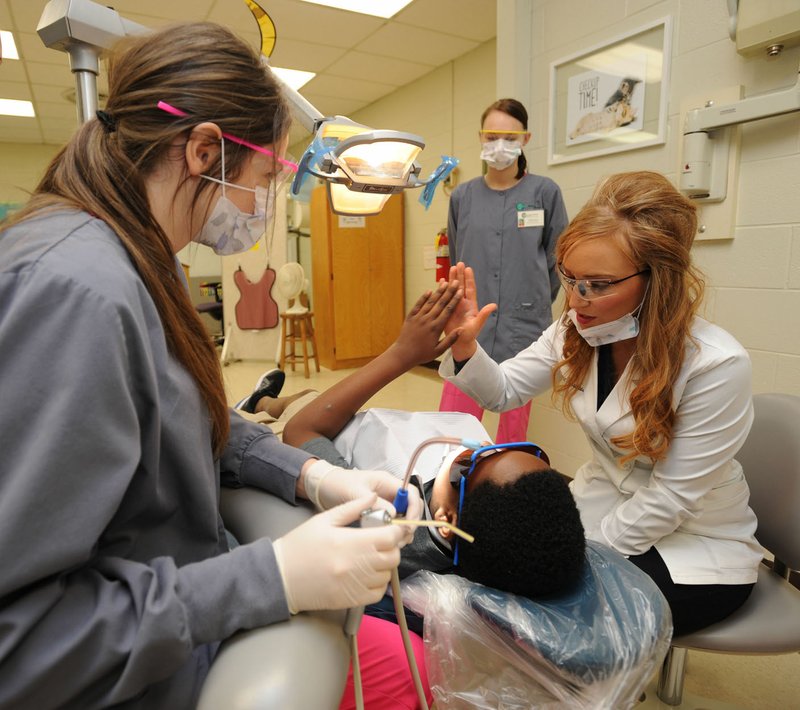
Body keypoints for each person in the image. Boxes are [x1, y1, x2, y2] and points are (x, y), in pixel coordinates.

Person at [0, 23, 421, 710]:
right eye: (268, 176)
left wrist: (310, 474)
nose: (265, 203)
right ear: (203, 151)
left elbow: (177, 412)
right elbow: (18, 641)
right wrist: (271, 577)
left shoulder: (139, 260)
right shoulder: (79, 294)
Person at [439, 170, 764, 636]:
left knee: (549, 614)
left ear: (659, 280)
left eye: (599, 283)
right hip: (601, 506)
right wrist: (466, 347)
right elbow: (504, 390)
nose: (576, 300)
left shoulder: (716, 365)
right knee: (491, 571)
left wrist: (574, 554)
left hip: (694, 544)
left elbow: (669, 499)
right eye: (569, 278)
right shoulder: (577, 329)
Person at [278, 282, 585, 710]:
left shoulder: (390, 522)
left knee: (294, 405)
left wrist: (401, 355)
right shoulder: (501, 538)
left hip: (335, 424)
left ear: (442, 517)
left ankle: (269, 399)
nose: (469, 450)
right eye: (503, 448)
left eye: (467, 465)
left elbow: (302, 432)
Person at [439, 98, 569, 443]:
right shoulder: (463, 197)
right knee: (454, 425)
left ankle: (502, 486)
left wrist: (533, 297)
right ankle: (450, 484)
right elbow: (457, 256)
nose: (500, 145)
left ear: (525, 140)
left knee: (513, 428)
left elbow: (558, 260)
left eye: (510, 138)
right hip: (470, 324)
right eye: (493, 136)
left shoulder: (544, 192)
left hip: (523, 326)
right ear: (481, 137)